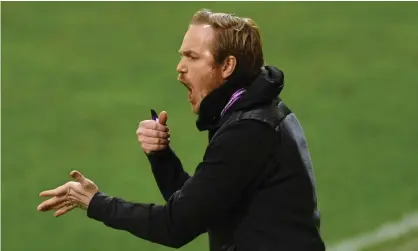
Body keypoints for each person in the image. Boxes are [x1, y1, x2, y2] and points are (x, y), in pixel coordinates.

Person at [37, 9, 325, 251]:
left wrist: (95, 203)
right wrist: (161, 157)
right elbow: (200, 208)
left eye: (192, 56)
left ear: (227, 66)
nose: (180, 67)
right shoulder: (253, 113)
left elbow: (176, 226)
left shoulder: (249, 131)